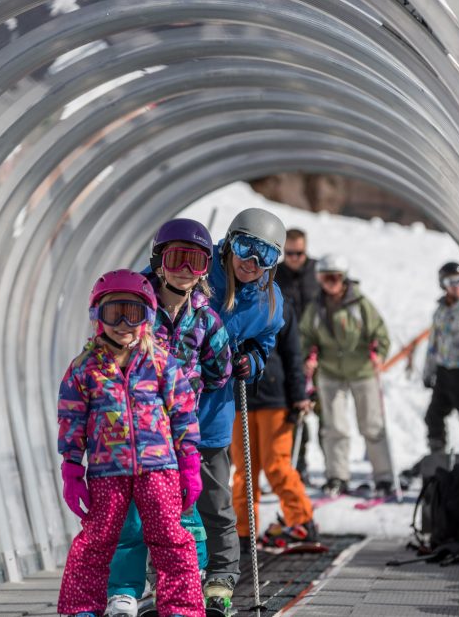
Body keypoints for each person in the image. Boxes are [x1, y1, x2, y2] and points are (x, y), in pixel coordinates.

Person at [56, 270, 205, 617]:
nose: (123, 323)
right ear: (97, 316)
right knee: (96, 540)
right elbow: (72, 420)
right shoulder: (84, 369)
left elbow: (183, 412)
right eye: (113, 313)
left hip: (159, 469)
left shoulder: (160, 363)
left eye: (133, 314)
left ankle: (180, 607)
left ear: (148, 318)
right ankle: (82, 607)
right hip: (108, 471)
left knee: (171, 538)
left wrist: (189, 463)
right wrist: (72, 468)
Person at [105, 220, 232, 617]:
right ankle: (126, 590)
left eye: (195, 261)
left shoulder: (206, 320)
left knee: (183, 513)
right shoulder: (138, 309)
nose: (184, 269)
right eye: (176, 258)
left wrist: (190, 387)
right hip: (133, 432)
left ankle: (181, 587)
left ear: (205, 268)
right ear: (159, 261)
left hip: (178, 434)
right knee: (133, 517)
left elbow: (220, 371)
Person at [199, 208, 286, 615]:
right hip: (164, 414)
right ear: (229, 242)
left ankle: (220, 580)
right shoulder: (198, 276)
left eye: (264, 256)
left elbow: (266, 337)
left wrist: (253, 357)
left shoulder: (268, 300)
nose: (251, 263)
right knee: (166, 507)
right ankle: (172, 578)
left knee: (216, 503)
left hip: (213, 415)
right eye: (246, 248)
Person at [300, 254, 393, 497]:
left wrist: (379, 352)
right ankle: (337, 476)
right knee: (335, 427)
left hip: (362, 370)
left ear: (343, 278)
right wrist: (308, 355)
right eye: (325, 277)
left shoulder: (359, 304)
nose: (330, 282)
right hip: (331, 372)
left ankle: (384, 477)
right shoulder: (316, 307)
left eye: (335, 277)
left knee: (372, 425)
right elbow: (305, 335)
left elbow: (380, 332)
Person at [231, 296, 317, 549]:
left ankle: (302, 520)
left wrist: (299, 395)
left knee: (276, 465)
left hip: (274, 397)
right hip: (239, 399)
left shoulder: (278, 304)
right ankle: (244, 530)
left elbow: (293, 354)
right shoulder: (227, 300)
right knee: (244, 469)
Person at [274, 227, 321, 483]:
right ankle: (296, 465)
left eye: (299, 253)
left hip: (318, 355)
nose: (294, 258)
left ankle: (334, 471)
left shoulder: (317, 272)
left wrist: (316, 355)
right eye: (289, 253)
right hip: (289, 354)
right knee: (294, 411)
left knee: (324, 415)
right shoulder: (276, 275)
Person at [422, 261, 459, 453]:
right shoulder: (440, 312)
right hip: (444, 372)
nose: (456, 286)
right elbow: (433, 345)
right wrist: (428, 371)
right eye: (450, 282)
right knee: (433, 416)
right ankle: (437, 454)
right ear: (442, 284)